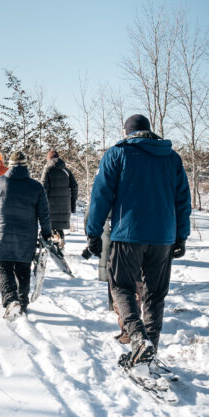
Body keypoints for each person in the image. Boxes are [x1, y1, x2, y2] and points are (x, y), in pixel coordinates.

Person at [85, 113, 191, 368]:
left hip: (128, 235)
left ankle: (138, 338)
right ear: (149, 131)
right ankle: (149, 349)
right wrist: (181, 236)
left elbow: (101, 197)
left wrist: (93, 232)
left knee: (121, 286)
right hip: (163, 237)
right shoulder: (171, 158)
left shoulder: (118, 153)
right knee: (155, 294)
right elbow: (183, 201)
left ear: (127, 132)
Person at [0, 149, 52, 315]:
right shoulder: (36, 186)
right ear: (25, 165)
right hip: (26, 236)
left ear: (10, 165)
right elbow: (44, 213)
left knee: (2, 267)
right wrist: (46, 233)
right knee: (23, 268)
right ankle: (22, 303)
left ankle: (11, 299)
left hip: (1, 234)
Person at [40, 150, 78, 248]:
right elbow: (75, 186)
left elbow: (43, 187)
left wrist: (41, 205)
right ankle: (61, 242)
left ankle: (55, 244)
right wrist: (72, 205)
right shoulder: (66, 170)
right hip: (65, 205)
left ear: (48, 158)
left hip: (50, 205)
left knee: (51, 226)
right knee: (59, 226)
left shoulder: (47, 169)